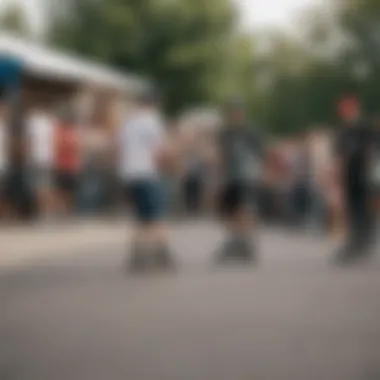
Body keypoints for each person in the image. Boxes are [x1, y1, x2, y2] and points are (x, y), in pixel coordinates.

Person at [118, 89, 176, 273]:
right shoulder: (153, 121)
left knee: (140, 217)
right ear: (154, 104)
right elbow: (161, 149)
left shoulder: (129, 122)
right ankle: (161, 254)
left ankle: (137, 255)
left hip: (130, 174)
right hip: (148, 172)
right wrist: (168, 166)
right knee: (156, 215)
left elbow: (120, 147)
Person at [214, 98, 265, 263]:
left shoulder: (251, 132)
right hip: (230, 176)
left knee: (245, 208)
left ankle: (247, 241)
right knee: (230, 209)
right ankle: (235, 240)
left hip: (247, 175)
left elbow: (260, 154)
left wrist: (261, 172)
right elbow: (221, 155)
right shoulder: (225, 133)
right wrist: (219, 176)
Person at [334, 96, 375, 264]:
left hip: (364, 172)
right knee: (353, 207)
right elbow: (339, 153)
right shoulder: (344, 130)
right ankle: (354, 240)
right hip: (349, 174)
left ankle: (363, 240)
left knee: (364, 207)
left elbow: (372, 148)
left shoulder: (365, 127)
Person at [26, 107, 55, 221]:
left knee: (39, 189)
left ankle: (43, 214)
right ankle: (46, 214)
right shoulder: (49, 122)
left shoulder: (33, 122)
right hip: (46, 159)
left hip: (37, 159)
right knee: (44, 188)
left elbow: (30, 141)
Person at [53, 109, 81, 218]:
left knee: (70, 190)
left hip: (70, 166)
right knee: (62, 190)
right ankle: (64, 210)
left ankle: (69, 211)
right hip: (62, 165)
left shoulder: (72, 133)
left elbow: (77, 149)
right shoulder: (60, 131)